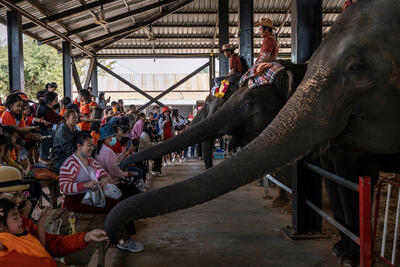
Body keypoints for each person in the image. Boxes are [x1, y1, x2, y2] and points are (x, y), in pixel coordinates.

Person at [0, 167, 109, 266]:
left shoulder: (22, 222)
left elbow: (52, 244)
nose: (20, 200)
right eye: (14, 195)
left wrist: (86, 237)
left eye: (21, 194)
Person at [59, 133, 143, 252]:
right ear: (79, 146)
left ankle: (126, 236)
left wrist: (104, 180)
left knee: (124, 201)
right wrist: (85, 185)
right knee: (117, 207)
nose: (92, 148)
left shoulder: (91, 161)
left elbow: (105, 174)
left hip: (92, 195)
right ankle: (120, 240)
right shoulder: (70, 164)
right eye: (89, 145)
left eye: (92, 145)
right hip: (76, 200)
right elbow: (63, 187)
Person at [36, 92, 63, 163]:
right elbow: (59, 120)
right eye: (55, 101)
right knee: (53, 138)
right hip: (44, 131)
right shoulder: (48, 111)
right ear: (50, 102)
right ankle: (43, 157)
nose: (57, 103)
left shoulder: (41, 106)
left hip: (42, 129)